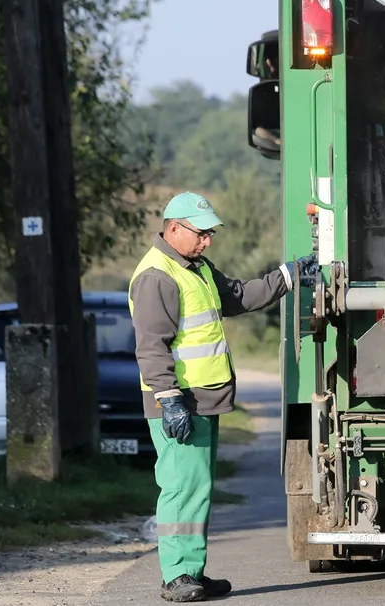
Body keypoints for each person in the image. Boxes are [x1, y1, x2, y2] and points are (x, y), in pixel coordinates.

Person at [128, 192, 315, 603]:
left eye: (211, 233)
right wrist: (169, 398)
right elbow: (151, 347)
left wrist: (288, 275)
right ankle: (177, 577)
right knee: (181, 488)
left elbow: (238, 296)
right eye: (201, 233)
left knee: (197, 487)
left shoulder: (195, 268)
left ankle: (190, 571)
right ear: (173, 228)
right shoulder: (156, 276)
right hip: (178, 403)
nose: (208, 241)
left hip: (201, 400)